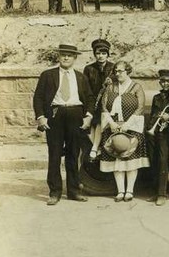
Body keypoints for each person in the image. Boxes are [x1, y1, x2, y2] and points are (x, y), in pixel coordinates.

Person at [32, 43, 94, 205]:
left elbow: (89, 98)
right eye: (63, 55)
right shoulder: (47, 75)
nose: (66, 57)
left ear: (74, 58)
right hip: (55, 115)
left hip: (75, 115)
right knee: (54, 154)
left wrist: (88, 117)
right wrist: (41, 117)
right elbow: (38, 97)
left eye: (70, 55)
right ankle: (55, 192)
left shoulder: (81, 77)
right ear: (58, 57)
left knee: (74, 154)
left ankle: (74, 191)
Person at [97, 60, 149, 202]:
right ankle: (120, 191)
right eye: (116, 71)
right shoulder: (110, 87)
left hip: (131, 128)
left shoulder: (136, 87)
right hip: (113, 127)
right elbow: (104, 107)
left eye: (121, 71)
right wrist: (112, 123)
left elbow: (140, 107)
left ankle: (129, 191)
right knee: (116, 159)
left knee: (130, 159)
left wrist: (127, 125)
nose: (118, 74)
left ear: (128, 71)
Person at [147, 69, 169, 206]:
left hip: (166, 132)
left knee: (163, 161)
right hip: (155, 131)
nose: (165, 84)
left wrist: (168, 118)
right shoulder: (156, 97)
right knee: (154, 161)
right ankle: (155, 191)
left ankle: (162, 194)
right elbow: (153, 113)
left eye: (168, 81)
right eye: (162, 81)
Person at [83, 39, 115, 162]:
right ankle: (98, 148)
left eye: (103, 53)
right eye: (98, 53)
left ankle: (95, 147)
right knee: (86, 125)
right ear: (94, 54)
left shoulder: (113, 68)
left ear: (107, 54)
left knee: (99, 120)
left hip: (108, 102)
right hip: (92, 100)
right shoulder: (89, 68)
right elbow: (85, 87)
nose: (100, 56)